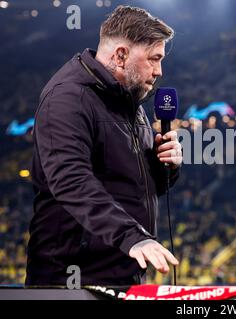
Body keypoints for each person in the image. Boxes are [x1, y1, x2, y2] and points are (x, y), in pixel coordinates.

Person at [26, 6, 182, 286]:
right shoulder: (68, 98)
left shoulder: (130, 104)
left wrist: (166, 167)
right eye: (153, 59)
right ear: (121, 56)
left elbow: (141, 188)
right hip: (71, 280)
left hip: (123, 274)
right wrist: (132, 237)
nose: (159, 71)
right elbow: (71, 181)